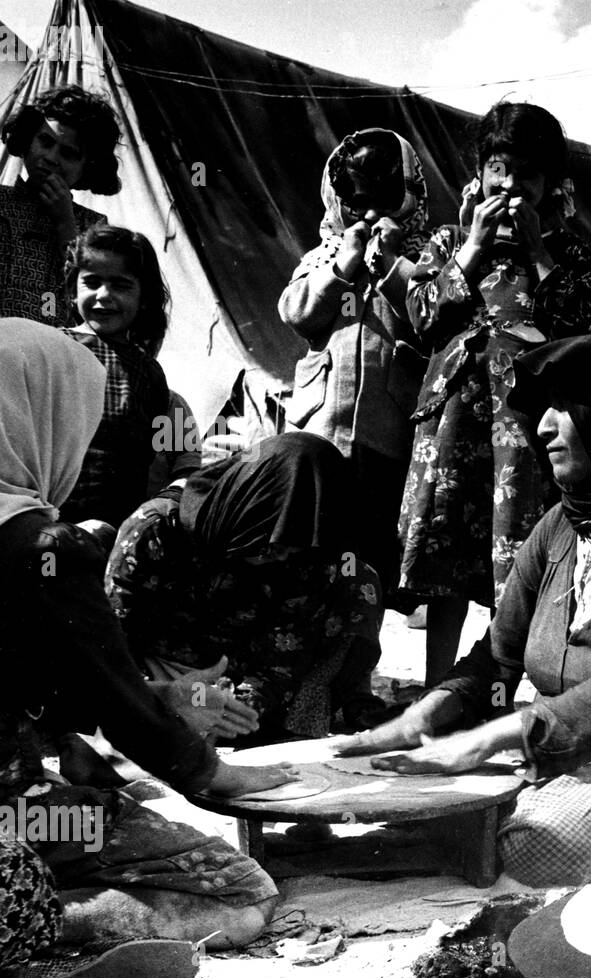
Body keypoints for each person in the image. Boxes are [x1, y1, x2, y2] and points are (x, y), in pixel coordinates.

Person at [336, 336, 591, 886]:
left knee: (535, 846)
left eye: (562, 408)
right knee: (403, 796)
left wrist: (486, 739)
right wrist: (417, 720)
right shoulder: (559, 528)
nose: (543, 426)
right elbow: (498, 658)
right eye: (542, 409)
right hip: (556, 752)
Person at [0, 321, 295, 978]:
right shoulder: (48, 545)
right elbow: (121, 713)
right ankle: (61, 930)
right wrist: (209, 768)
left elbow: (49, 688)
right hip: (13, 812)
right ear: (47, 411)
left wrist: (153, 693)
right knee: (241, 890)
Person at [399, 101, 591, 686]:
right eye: (497, 169)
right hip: (454, 420)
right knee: (446, 557)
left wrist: (539, 253)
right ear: (479, 173)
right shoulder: (447, 242)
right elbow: (424, 318)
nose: (509, 185)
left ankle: (498, 693)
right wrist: (471, 247)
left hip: (524, 428)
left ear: (549, 185)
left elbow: (575, 329)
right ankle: (438, 689)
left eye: (526, 174)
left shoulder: (567, 253)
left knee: (515, 555)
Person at [105, 433, 385, 739]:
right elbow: (112, 637)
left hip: (246, 670)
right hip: (163, 672)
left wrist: (236, 708)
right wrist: (156, 697)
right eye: (271, 540)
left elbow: (284, 657)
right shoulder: (157, 529)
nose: (278, 556)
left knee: (357, 577)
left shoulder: (307, 556)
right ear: (255, 502)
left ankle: (297, 720)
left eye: (290, 546)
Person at [280, 128, 430, 597]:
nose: (367, 214)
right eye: (357, 202)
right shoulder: (323, 254)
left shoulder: (421, 259)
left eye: (382, 201)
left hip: (386, 435)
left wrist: (391, 265)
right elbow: (297, 313)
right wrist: (342, 267)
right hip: (319, 428)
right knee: (310, 542)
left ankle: (357, 658)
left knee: (367, 550)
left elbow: (429, 320)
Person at [59, 224, 201, 540]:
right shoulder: (52, 349)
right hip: (51, 520)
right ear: (72, 290)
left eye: (121, 285)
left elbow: (186, 465)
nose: (103, 296)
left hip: (120, 531)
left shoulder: (151, 376)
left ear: (144, 298)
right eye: (92, 282)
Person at [0, 85, 120, 326]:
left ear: (88, 166)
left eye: (68, 153)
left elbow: (93, 296)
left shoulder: (92, 226)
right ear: (27, 139)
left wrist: (65, 222)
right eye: (45, 141)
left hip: (55, 354)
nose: (51, 158)